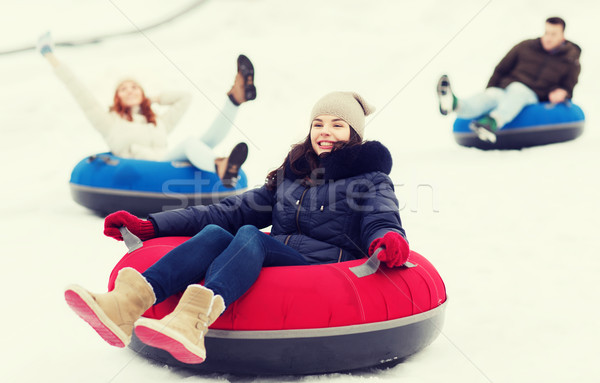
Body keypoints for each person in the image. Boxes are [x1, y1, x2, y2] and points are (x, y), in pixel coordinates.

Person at [64, 91, 411, 364]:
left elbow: (382, 218)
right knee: (219, 232)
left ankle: (193, 321)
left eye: (337, 124)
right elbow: (232, 209)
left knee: (249, 237)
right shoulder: (294, 174)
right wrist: (151, 225)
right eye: (318, 123)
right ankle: (125, 304)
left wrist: (388, 238)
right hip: (282, 255)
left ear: (354, 133)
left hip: (325, 268)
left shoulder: (370, 179)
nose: (325, 131)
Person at [37, 31, 255, 187]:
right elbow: (78, 89)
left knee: (204, 142)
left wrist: (154, 99)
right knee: (190, 143)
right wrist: (49, 55)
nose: (130, 90)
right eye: (123, 89)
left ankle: (234, 100)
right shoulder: (108, 121)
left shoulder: (156, 122)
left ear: (142, 94)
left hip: (168, 161)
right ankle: (220, 166)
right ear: (117, 97)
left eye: (135, 87)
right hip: (146, 169)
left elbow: (184, 99)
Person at [436, 17, 581, 143]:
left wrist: (563, 93)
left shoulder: (570, 60)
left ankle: (492, 123)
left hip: (532, 95)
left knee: (519, 91)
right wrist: (491, 88)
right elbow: (501, 69)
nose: (548, 38)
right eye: (546, 32)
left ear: (562, 36)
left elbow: (569, 86)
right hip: (505, 89)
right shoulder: (525, 46)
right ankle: (455, 104)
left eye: (553, 34)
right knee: (490, 97)